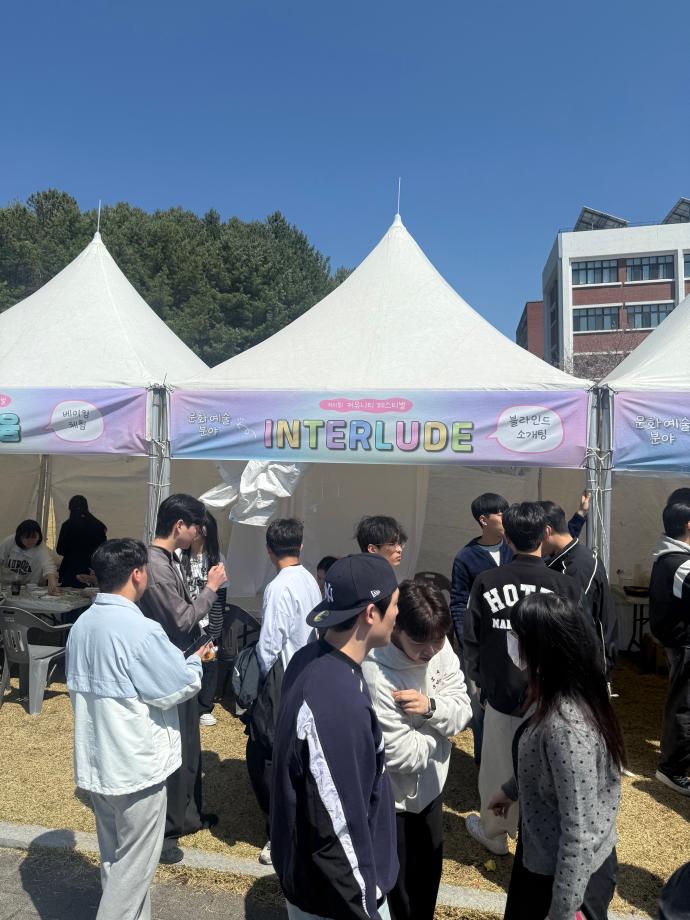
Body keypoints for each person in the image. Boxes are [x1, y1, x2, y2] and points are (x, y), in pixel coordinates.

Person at [65, 539, 209, 920]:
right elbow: (175, 686)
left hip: (97, 760)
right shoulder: (140, 629)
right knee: (133, 869)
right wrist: (195, 662)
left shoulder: (81, 625)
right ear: (137, 574)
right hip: (135, 766)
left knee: (115, 860)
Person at [271, 553, 400, 920]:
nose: (397, 614)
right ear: (370, 613)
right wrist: (365, 906)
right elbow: (337, 826)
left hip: (321, 886)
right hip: (340, 900)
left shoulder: (310, 658)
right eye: (394, 605)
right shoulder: (336, 701)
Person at [488, 593, 624, 920]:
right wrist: (511, 790)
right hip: (547, 858)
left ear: (540, 648)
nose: (510, 641)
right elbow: (548, 768)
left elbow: (578, 834)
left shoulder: (566, 729)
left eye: (516, 635)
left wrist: (562, 911)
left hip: (565, 879)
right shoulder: (563, 690)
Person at [463, 502, 582, 856]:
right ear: (545, 534)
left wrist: (480, 682)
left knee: (498, 768)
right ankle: (535, 833)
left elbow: (471, 639)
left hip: (501, 694)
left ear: (508, 538)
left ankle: (495, 833)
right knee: (546, 772)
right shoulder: (565, 585)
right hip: (549, 701)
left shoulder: (487, 581)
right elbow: (577, 644)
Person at [362, 580, 472, 920]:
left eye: (438, 640)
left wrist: (429, 709)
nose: (431, 650)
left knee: (427, 880)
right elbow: (401, 755)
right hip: (393, 802)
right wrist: (441, 736)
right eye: (420, 642)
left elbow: (463, 709)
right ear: (397, 629)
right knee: (399, 891)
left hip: (432, 790)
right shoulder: (377, 671)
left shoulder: (438, 645)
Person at [138, 494, 227, 863]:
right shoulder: (156, 565)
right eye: (195, 527)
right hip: (169, 668)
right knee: (176, 746)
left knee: (188, 743)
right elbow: (181, 620)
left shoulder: (167, 560)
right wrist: (211, 588)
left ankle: (188, 816)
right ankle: (168, 830)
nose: (197, 534)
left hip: (182, 663)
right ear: (179, 526)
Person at [249, 517, 321, 866]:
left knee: (266, 757)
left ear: (268, 550)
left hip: (285, 681)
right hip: (309, 675)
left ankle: (280, 830)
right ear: (301, 546)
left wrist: (257, 681)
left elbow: (269, 645)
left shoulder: (278, 587)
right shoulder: (309, 579)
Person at [450, 493, 511, 764]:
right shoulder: (465, 557)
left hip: (512, 642)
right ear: (484, 520)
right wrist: (467, 646)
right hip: (481, 645)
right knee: (479, 709)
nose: (506, 517)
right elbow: (458, 603)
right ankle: (483, 764)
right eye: (501, 513)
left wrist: (580, 517)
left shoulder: (513, 548)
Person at [539, 500, 618, 677]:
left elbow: (575, 624)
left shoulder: (576, 568)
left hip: (586, 666)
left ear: (546, 532)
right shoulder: (570, 557)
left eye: (533, 537)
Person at [648, 500, 690, 796]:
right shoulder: (680, 564)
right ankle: (672, 768)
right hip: (685, 643)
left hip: (678, 642)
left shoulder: (669, 557)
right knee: (684, 705)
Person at [178, 510, 228, 727]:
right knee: (183, 660)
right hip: (184, 619)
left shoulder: (217, 559)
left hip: (207, 622)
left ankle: (204, 707)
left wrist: (215, 629)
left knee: (209, 663)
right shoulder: (179, 555)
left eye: (200, 525)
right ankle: (185, 703)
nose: (196, 529)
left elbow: (220, 597)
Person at [56, 495, 107, 588]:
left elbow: (60, 550)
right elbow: (103, 551)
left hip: (70, 570)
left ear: (70, 509)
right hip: (91, 571)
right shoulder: (98, 525)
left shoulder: (67, 525)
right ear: (86, 507)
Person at [0, 520, 59, 594]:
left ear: (39, 536)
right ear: (19, 536)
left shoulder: (40, 547)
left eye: (34, 537)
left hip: (30, 587)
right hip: (7, 585)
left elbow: (48, 565)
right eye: (26, 537)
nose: (30, 541)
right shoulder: (9, 542)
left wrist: (52, 581)